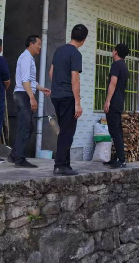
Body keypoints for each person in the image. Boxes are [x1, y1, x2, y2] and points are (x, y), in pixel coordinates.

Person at [50, 24, 88, 176]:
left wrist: (57, 87)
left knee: (64, 130)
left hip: (56, 96)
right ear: (84, 40)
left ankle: (66, 164)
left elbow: (51, 72)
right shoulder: (76, 54)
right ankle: (60, 165)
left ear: (71, 35)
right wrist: (77, 103)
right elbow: (75, 79)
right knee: (67, 132)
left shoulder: (59, 50)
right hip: (68, 97)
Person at [9, 35, 51, 168]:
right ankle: (19, 159)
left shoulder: (28, 58)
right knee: (25, 127)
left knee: (28, 126)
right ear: (31, 44)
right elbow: (25, 81)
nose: (40, 47)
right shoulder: (26, 58)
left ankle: (14, 155)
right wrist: (32, 98)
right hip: (23, 95)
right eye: (39, 44)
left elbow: (31, 81)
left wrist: (40, 88)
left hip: (24, 93)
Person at [103, 43, 130, 169]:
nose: (112, 51)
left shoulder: (116, 65)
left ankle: (121, 159)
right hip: (119, 101)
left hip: (114, 102)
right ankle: (117, 157)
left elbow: (113, 83)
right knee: (115, 130)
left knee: (115, 130)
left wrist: (108, 101)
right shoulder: (124, 66)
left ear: (116, 52)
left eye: (113, 50)